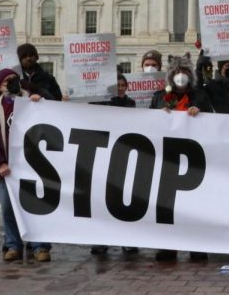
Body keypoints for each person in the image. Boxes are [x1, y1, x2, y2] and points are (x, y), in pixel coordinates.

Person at [0, 68, 51, 262]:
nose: (13, 82)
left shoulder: (33, 101)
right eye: (7, 80)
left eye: (15, 78)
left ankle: (39, 246)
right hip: (7, 168)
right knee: (8, 208)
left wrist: (41, 102)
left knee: (36, 207)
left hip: (33, 166)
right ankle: (13, 245)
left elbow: (54, 118)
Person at [150, 55, 213, 262]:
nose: (180, 76)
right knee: (167, 205)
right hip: (168, 158)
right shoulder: (159, 97)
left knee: (195, 205)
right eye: (177, 72)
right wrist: (161, 114)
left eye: (184, 72)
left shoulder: (200, 96)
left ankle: (197, 246)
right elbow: (147, 123)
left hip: (195, 159)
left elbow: (215, 122)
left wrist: (200, 112)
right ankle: (168, 246)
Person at [89, 74, 137, 256]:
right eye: (117, 85)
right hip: (106, 155)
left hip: (124, 155)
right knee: (103, 200)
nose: (120, 88)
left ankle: (128, 240)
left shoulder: (131, 104)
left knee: (127, 201)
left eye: (123, 85)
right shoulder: (103, 102)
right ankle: (101, 240)